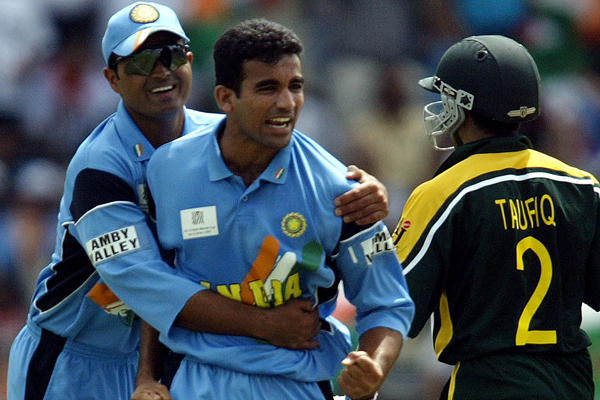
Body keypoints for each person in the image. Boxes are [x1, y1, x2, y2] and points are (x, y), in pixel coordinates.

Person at [6, 3, 391, 400]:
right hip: (74, 358)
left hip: (164, 360)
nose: (161, 71)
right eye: (140, 62)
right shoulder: (100, 165)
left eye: (172, 55)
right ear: (112, 79)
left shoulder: (223, 132)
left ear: (190, 61)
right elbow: (150, 284)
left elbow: (307, 166)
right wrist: (266, 324)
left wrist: (359, 189)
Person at [134, 18, 414, 400]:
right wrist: (146, 378)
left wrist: (375, 366)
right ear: (225, 98)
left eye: (295, 86)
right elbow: (155, 285)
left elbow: (387, 304)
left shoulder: (341, 190)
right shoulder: (168, 169)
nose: (287, 103)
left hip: (294, 385)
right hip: (194, 381)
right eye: (268, 88)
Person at [392, 35, 600, 399]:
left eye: (445, 98)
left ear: (461, 107)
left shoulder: (442, 193)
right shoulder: (582, 185)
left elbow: (394, 306)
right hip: (571, 384)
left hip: (487, 384)